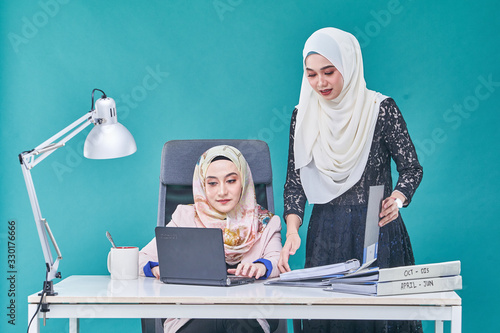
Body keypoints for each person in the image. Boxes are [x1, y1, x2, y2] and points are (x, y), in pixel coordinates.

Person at [278, 27, 424, 332]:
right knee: (329, 321)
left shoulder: (380, 110)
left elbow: (411, 168)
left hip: (376, 229)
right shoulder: (302, 114)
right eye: (311, 74)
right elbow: (295, 181)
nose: (320, 83)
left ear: (348, 65)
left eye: (329, 72)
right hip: (325, 236)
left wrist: (398, 198)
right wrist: (292, 230)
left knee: (378, 320)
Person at [139, 145, 282, 333]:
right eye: (212, 183)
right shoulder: (185, 217)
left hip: (246, 314)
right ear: (202, 185)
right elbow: (139, 259)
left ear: (244, 182)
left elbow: (279, 262)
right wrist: (157, 268)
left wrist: (261, 267)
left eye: (231, 181)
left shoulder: (266, 222)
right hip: (193, 316)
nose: (222, 191)